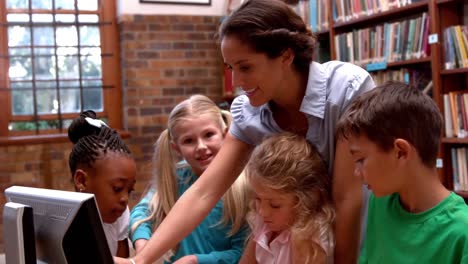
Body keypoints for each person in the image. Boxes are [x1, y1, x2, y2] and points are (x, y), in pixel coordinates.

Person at [115, 0, 375, 263]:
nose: (237, 82)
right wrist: (140, 261)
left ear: (285, 56)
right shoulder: (250, 112)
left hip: (357, 250)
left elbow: (347, 202)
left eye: (246, 67)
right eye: (231, 68)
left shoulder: (346, 90)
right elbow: (203, 192)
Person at [335, 82, 468, 263]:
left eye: (360, 159)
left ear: (401, 152)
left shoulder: (461, 231)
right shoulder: (379, 201)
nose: (356, 173)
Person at [129, 95, 249, 264]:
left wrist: (196, 260)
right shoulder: (176, 177)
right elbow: (141, 213)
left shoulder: (243, 184)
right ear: (176, 147)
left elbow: (245, 252)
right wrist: (144, 249)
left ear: (225, 134)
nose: (201, 146)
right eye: (189, 141)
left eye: (208, 135)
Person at [239, 132, 334, 264]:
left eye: (275, 205)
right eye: (257, 199)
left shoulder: (307, 237)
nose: (262, 211)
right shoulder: (262, 223)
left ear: (303, 202)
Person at [68, 110, 136, 258]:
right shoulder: (68, 223)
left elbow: (122, 259)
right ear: (82, 180)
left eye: (129, 191)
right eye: (117, 188)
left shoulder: (120, 213)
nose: (125, 199)